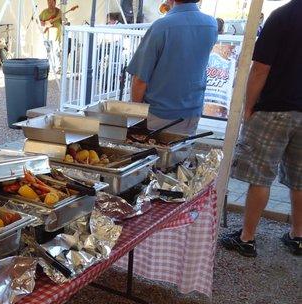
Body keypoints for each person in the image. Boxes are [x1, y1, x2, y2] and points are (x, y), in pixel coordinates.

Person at [220, 0, 302, 257]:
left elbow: (260, 69)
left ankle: (247, 237)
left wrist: (248, 108)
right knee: (300, 180)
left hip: (274, 110)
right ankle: (298, 236)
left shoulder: (282, 16)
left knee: (260, 177)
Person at [126, 0, 217, 135]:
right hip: (193, 109)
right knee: (181, 153)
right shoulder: (211, 24)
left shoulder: (162, 26)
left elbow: (140, 78)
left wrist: (136, 115)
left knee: (153, 154)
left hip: (159, 112)